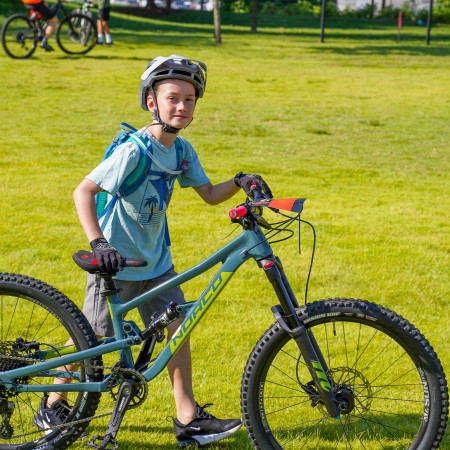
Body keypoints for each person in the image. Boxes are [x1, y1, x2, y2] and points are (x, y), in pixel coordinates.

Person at [34, 55, 272, 447]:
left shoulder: (181, 152)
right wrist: (99, 243)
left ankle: (188, 417)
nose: (182, 107)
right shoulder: (135, 150)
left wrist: (241, 180)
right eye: (173, 98)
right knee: (91, 341)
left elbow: (210, 195)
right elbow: (84, 191)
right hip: (116, 264)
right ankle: (53, 401)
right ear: (152, 103)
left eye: (190, 99)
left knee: (179, 330)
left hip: (157, 263)